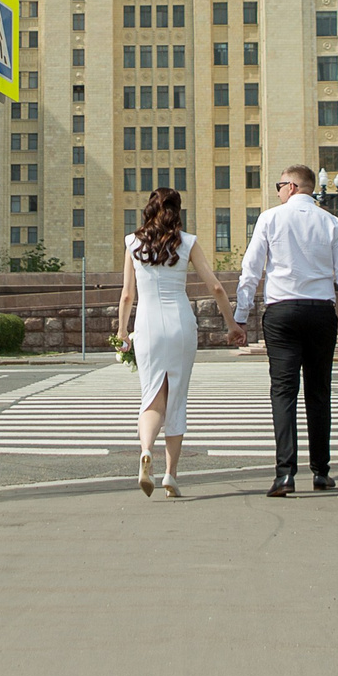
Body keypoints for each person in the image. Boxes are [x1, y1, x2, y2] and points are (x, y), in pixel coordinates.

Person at [231, 165, 338, 497]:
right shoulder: (331, 223)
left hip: (282, 312)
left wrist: (240, 316)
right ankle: (321, 471)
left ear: (291, 187)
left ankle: (285, 475)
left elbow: (251, 269)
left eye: (279, 185)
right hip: (321, 312)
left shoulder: (270, 219)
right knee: (319, 392)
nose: (277, 191)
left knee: (283, 392)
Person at [116, 184, 235, 497]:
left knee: (152, 395)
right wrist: (232, 323)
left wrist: (121, 331)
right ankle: (170, 474)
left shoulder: (132, 242)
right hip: (181, 323)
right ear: (176, 211)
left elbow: (127, 294)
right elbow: (217, 287)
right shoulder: (188, 242)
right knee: (177, 399)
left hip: (147, 325)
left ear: (149, 209)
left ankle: (145, 451)